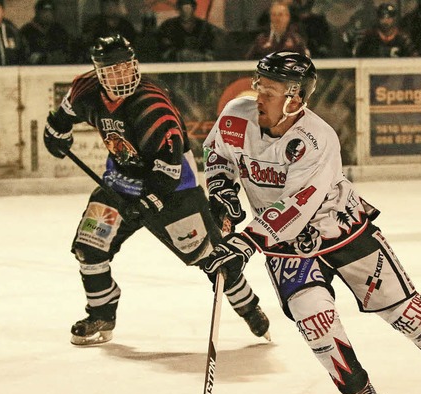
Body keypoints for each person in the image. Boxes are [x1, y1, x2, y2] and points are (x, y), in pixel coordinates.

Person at [201, 50, 421, 394]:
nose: (258, 94)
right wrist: (221, 192)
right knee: (315, 323)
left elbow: (298, 207)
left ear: (295, 97)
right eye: (259, 84)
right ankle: (361, 392)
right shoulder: (236, 114)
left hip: (343, 231)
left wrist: (246, 242)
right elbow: (217, 154)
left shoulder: (316, 139)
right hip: (283, 246)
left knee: (406, 313)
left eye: (270, 89)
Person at [43, 35, 270, 345]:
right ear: (99, 73)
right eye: (113, 71)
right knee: (89, 246)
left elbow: (169, 169)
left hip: (174, 189)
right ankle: (101, 314)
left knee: (211, 258)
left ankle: (248, 307)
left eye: (126, 68)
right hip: (120, 183)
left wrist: (149, 201)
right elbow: (63, 115)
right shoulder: (85, 89)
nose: (122, 76)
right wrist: (55, 133)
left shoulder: (152, 105)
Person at [245, 1, 309, 60]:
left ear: (287, 17)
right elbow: (248, 60)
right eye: (273, 15)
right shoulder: (261, 39)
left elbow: (305, 61)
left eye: (280, 15)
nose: (277, 18)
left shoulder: (296, 40)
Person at [20, 0, 73, 65]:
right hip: (34, 70)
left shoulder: (59, 30)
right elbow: (24, 56)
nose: (47, 14)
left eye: (50, 11)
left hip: (58, 69)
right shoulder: (26, 31)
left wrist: (49, 57)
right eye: (44, 11)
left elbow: (67, 53)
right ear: (37, 12)